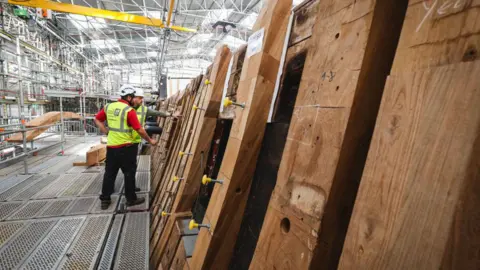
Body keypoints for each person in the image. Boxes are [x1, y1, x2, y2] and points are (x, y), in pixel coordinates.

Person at [94, 85, 157, 209]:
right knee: (129, 173)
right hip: (127, 148)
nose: (134, 100)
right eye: (133, 97)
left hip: (112, 147)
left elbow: (97, 119)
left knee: (109, 174)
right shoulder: (129, 110)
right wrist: (150, 140)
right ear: (128, 97)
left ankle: (105, 200)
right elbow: (139, 129)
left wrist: (106, 131)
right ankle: (131, 199)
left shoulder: (109, 107)